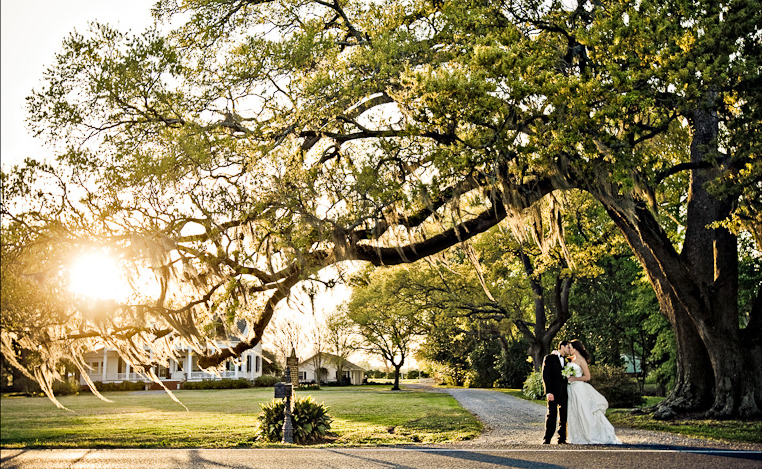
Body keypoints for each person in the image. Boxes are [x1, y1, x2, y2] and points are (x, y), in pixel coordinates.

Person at [565, 339, 622, 445]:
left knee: (585, 412)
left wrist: (574, 379)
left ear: (575, 348)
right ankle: (577, 436)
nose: (569, 349)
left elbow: (588, 377)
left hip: (580, 389)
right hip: (572, 389)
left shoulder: (581, 360)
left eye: (570, 347)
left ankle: (592, 435)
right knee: (574, 412)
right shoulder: (571, 359)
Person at [541, 340, 573, 444]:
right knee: (552, 414)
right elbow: (546, 375)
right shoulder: (549, 358)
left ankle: (562, 438)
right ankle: (547, 438)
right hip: (553, 391)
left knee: (564, 415)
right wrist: (549, 392)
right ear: (562, 347)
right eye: (568, 347)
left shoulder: (567, 361)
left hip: (564, 391)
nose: (569, 349)